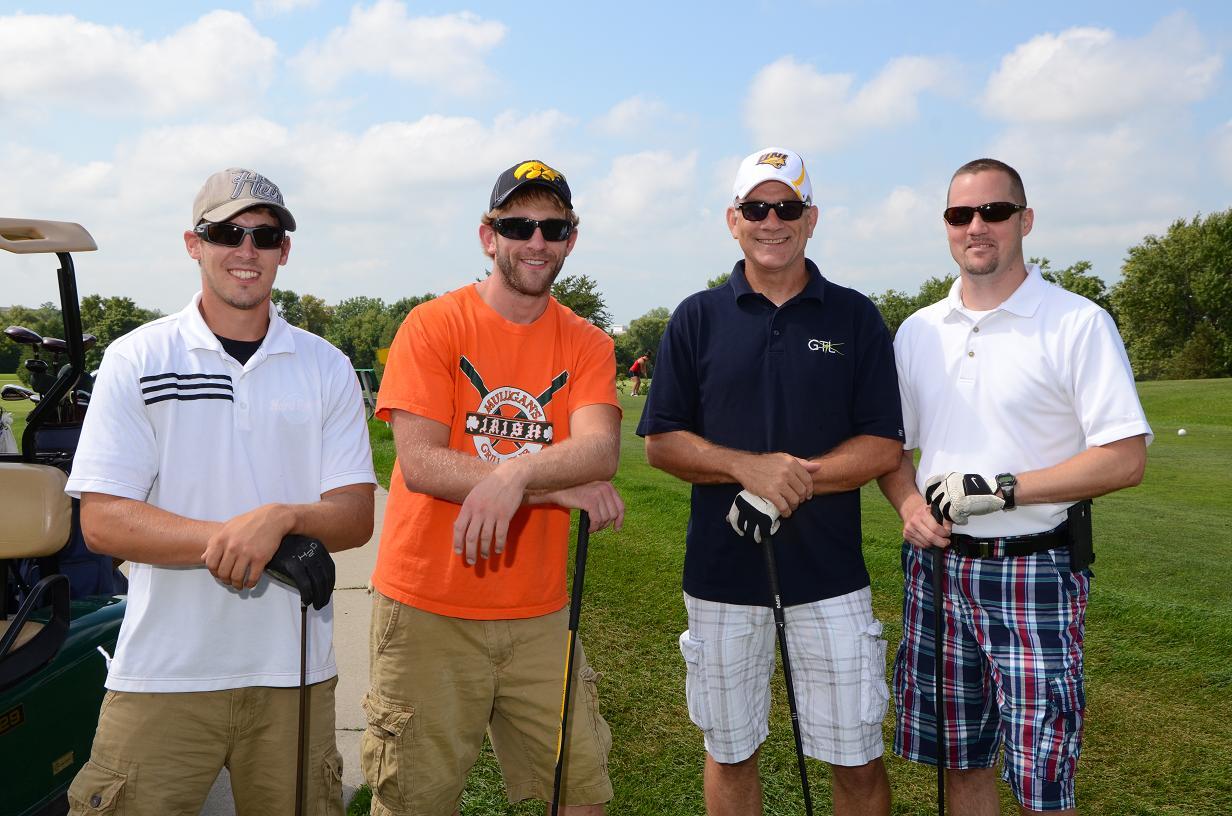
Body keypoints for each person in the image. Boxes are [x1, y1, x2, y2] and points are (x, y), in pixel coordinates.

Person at [64, 167, 377, 815]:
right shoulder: (138, 358)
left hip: (294, 675)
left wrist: (280, 516)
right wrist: (236, 538)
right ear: (194, 243)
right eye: (226, 232)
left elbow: (353, 515)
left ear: (284, 251)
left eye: (264, 236)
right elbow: (104, 521)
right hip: (163, 672)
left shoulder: (325, 366)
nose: (246, 249)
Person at [877, 158, 1151, 815]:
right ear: (946, 227)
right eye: (960, 215)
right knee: (959, 762)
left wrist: (1002, 490)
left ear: (1024, 221)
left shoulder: (1076, 322)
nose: (977, 226)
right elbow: (892, 451)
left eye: (994, 212)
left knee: (1041, 777)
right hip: (938, 569)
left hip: (1037, 568)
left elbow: (1123, 457)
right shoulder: (918, 331)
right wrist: (911, 504)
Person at [637, 147, 903, 816]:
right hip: (723, 580)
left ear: (811, 218)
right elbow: (661, 442)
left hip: (831, 578)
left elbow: (882, 443)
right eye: (757, 208)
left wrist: (791, 480)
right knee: (731, 753)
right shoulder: (697, 317)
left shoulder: (854, 317)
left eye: (787, 207)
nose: (771, 221)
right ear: (734, 220)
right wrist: (745, 468)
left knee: (858, 757)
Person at [363, 159, 624, 816]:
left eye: (552, 227)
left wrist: (518, 473)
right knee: (413, 801)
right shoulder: (432, 325)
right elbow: (421, 463)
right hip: (428, 609)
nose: (536, 241)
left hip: (538, 614)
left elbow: (600, 449)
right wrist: (553, 487)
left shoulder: (587, 342)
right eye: (518, 224)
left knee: (583, 790)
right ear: (489, 235)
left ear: (570, 238)